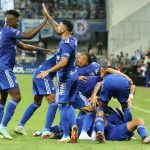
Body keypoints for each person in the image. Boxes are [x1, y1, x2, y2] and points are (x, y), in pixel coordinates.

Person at [0, 10, 50, 140]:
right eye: (16, 20)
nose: (17, 23)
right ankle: (3, 127)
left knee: (2, 99)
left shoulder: (6, 33)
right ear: (10, 20)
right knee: (17, 97)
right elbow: (29, 35)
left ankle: (0, 128)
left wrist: (41, 49)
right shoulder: (8, 31)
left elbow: (23, 45)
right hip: (4, 68)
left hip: (2, 69)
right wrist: (44, 21)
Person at [37, 3, 78, 143]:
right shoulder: (71, 38)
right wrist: (48, 16)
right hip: (74, 75)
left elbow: (63, 62)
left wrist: (47, 71)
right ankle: (73, 128)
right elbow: (56, 26)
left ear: (64, 29)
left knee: (62, 105)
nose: (57, 27)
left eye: (60, 25)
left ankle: (66, 135)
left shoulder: (66, 43)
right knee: (69, 105)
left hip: (65, 77)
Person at [14, 53, 58, 138]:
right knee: (53, 103)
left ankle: (20, 126)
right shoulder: (66, 53)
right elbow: (61, 66)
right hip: (44, 75)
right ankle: (46, 130)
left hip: (38, 72)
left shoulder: (62, 50)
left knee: (36, 102)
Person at [90, 73, 135, 143]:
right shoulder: (125, 77)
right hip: (122, 85)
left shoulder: (107, 77)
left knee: (101, 108)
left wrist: (94, 94)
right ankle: (129, 133)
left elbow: (99, 83)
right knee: (126, 108)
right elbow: (133, 85)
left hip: (108, 83)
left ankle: (100, 131)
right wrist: (131, 97)